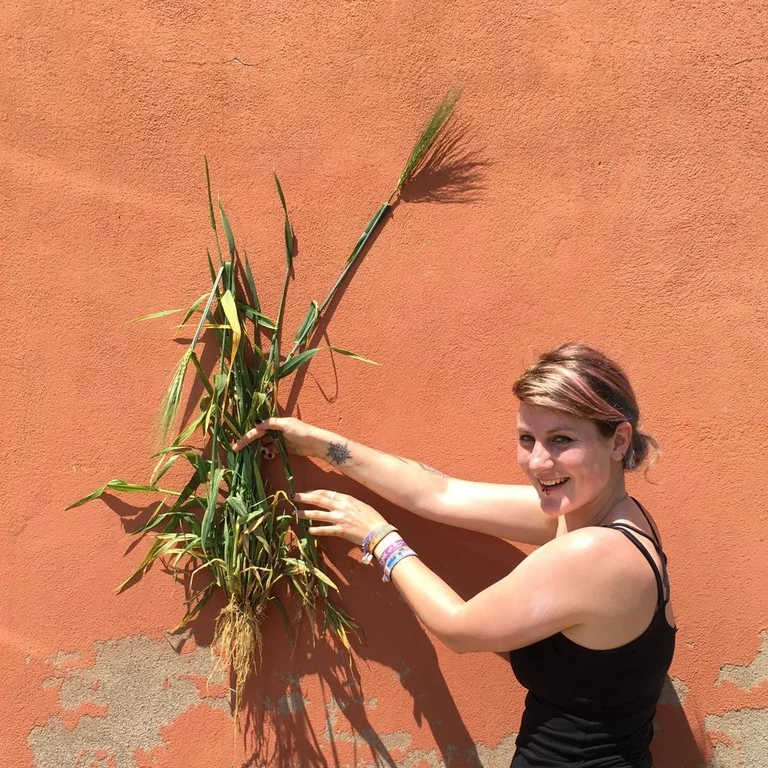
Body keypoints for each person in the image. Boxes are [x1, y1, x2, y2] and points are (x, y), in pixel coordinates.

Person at [232, 343, 676, 768]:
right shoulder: (613, 518)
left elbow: (458, 628)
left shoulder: (593, 552)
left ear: (618, 441)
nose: (538, 462)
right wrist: (320, 445)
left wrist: (378, 537)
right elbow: (441, 494)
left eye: (561, 440)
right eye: (527, 438)